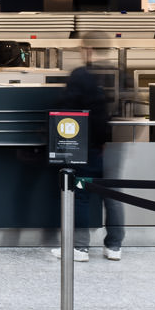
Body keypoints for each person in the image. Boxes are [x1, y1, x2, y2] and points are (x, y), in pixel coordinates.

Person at [56, 36, 124, 262]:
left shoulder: (81, 75)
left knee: (81, 193)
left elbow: (69, 108)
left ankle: (80, 247)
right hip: (115, 144)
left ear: (89, 49)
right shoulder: (119, 73)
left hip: (87, 143)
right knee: (112, 195)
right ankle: (114, 246)